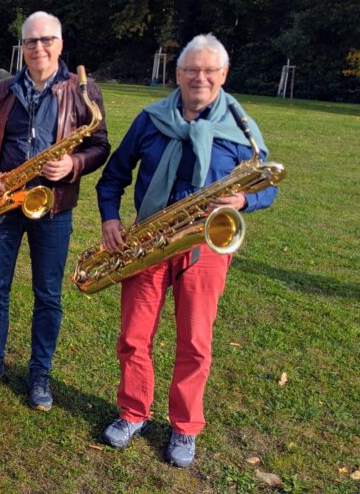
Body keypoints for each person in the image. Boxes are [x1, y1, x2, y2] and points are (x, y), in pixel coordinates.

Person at [95, 33, 278, 467]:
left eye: (209, 71)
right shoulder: (150, 119)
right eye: (191, 70)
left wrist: (243, 201)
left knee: (195, 342)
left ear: (223, 75)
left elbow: (267, 187)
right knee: (134, 337)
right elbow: (113, 176)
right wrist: (110, 218)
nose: (200, 77)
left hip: (206, 246)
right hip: (150, 241)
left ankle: (184, 426)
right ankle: (133, 412)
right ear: (177, 74)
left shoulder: (242, 127)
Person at [0, 11, 110, 411]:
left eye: (46, 40)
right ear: (21, 47)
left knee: (48, 294)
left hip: (53, 206)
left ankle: (40, 372)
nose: (38, 48)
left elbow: (100, 146)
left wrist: (72, 165)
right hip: (5, 201)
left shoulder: (83, 89)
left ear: (60, 44)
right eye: (30, 41)